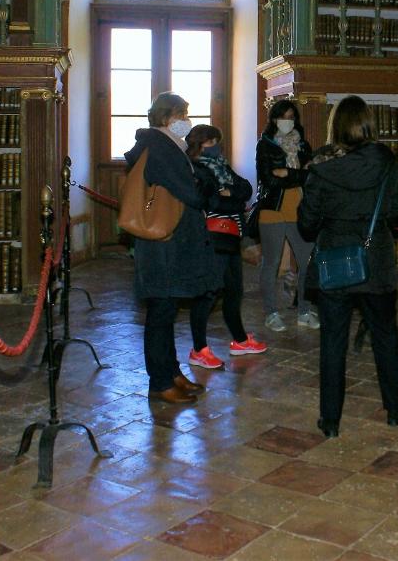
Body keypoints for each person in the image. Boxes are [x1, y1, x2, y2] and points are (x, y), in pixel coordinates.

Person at [298, 95, 398, 438]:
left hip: (335, 264)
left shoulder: (320, 168)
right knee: (386, 337)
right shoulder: (388, 163)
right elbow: (395, 213)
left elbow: (306, 225)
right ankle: (395, 410)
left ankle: (330, 420)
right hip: (376, 262)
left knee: (332, 342)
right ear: (368, 124)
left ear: (336, 127)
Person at [124, 92, 222, 404]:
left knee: (166, 312)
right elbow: (192, 195)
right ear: (168, 118)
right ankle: (160, 383)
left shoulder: (165, 146)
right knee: (160, 314)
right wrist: (206, 185)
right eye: (182, 115)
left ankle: (172, 373)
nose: (186, 122)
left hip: (168, 244)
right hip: (162, 245)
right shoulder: (160, 148)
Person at [185, 124, 267, 367]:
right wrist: (233, 200)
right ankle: (199, 349)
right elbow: (212, 202)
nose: (215, 147)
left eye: (216, 142)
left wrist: (230, 194)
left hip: (232, 236)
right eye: (210, 142)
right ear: (199, 145)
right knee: (208, 294)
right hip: (213, 237)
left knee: (234, 291)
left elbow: (246, 188)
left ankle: (240, 340)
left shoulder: (222, 165)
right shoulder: (196, 169)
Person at [255, 99, 319, 332]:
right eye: (283, 117)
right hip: (273, 210)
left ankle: (304, 309)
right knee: (270, 264)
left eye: (292, 117)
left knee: (307, 261)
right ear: (274, 119)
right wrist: (298, 174)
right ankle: (271, 312)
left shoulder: (303, 145)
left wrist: (288, 173)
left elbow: (311, 176)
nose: (288, 121)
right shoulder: (265, 145)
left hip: (299, 210)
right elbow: (269, 180)